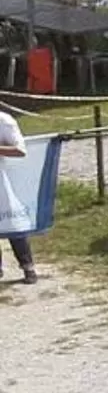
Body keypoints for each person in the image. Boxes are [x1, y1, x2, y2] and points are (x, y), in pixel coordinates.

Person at [0, 108, 35, 282]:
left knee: (12, 222)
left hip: (3, 180)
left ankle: (28, 267)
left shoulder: (4, 121)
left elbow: (20, 150)